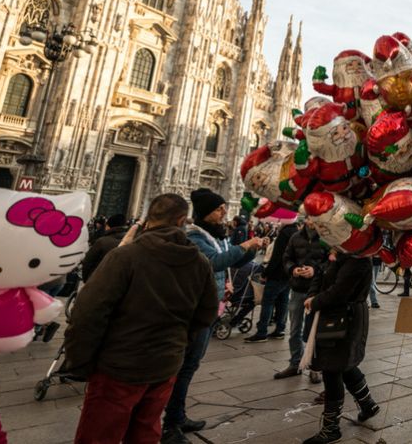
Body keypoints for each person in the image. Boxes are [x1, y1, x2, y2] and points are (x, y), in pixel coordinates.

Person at [65, 194, 219, 444]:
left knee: (98, 436)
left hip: (118, 367)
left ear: (147, 220)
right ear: (182, 221)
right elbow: (208, 312)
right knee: (145, 432)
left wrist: (79, 362)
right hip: (165, 366)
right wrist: (179, 342)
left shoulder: (125, 257)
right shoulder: (198, 261)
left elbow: (87, 312)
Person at [163, 189, 267, 442]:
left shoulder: (215, 236)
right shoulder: (195, 238)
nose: (224, 213)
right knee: (184, 367)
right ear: (205, 212)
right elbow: (212, 263)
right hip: (195, 309)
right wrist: (245, 245)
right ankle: (169, 425)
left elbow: (232, 261)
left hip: (211, 307)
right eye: (219, 209)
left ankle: (178, 415)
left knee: (191, 365)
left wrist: (253, 248)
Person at [301, 251, 381, 444]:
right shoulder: (336, 251)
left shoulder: (359, 258)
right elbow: (320, 274)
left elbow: (340, 291)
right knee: (344, 364)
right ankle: (367, 404)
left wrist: (316, 301)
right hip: (333, 316)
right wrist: (312, 294)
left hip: (346, 320)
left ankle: (331, 429)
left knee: (332, 368)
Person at [274, 220, 327, 380]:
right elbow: (287, 258)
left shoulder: (326, 238)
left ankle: (314, 367)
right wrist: (293, 269)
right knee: (295, 328)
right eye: (309, 217)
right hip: (297, 289)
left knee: (314, 330)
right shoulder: (295, 237)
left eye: (315, 217)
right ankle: (295, 363)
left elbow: (330, 262)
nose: (312, 221)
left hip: (316, 291)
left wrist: (315, 270)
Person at [247, 220, 298, 343]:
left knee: (268, 302)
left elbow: (277, 256)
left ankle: (262, 332)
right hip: (289, 273)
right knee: (283, 301)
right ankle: (280, 330)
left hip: (277, 274)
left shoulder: (284, 233)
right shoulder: (296, 232)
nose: (278, 222)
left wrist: (266, 273)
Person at [81, 213, 131, 281]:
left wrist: (87, 279)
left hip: (96, 281)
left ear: (108, 226)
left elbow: (87, 262)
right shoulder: (131, 243)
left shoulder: (102, 242)